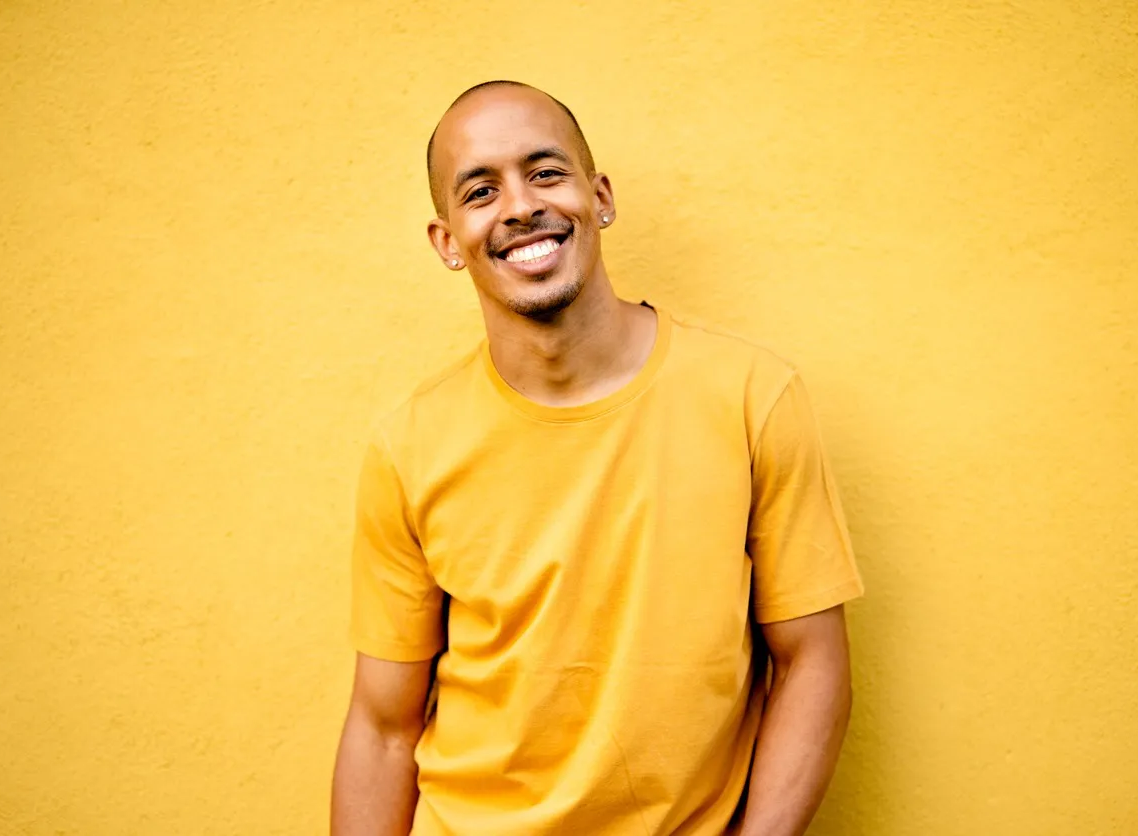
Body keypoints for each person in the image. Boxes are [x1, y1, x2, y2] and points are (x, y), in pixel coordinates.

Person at [331, 80, 864, 836]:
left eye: (545, 172)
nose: (519, 205)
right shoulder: (408, 446)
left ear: (599, 196)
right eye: (480, 190)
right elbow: (383, 727)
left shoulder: (753, 396)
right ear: (448, 240)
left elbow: (811, 662)